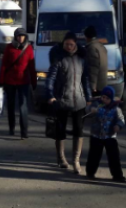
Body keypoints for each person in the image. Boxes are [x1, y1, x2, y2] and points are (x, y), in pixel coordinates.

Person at [46, 32, 92, 174]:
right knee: (60, 130)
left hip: (79, 100)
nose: (69, 47)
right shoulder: (58, 59)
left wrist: (89, 97)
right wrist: (50, 95)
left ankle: (76, 160)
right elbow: (50, 78)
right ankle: (61, 158)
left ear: (76, 45)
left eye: (71, 44)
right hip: (62, 99)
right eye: (66, 44)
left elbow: (86, 80)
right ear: (63, 44)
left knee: (79, 130)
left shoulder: (81, 59)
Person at [0, 28, 36, 139]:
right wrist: (1, 81)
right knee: (10, 106)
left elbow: (31, 67)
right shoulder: (9, 48)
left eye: (22, 36)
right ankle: (11, 128)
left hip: (23, 81)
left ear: (25, 37)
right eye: (19, 36)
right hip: (10, 81)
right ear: (15, 36)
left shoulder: (28, 48)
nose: (20, 38)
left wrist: (34, 82)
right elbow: (4, 65)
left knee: (23, 107)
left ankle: (24, 132)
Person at [85, 86, 126, 182]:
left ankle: (117, 175)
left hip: (110, 136)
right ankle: (90, 172)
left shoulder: (115, 108)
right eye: (103, 97)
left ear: (111, 99)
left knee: (114, 157)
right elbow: (88, 109)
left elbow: (121, 119)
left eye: (107, 98)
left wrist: (118, 126)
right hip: (96, 135)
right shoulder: (97, 104)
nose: (104, 100)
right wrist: (91, 110)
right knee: (94, 156)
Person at [84, 26, 108, 96]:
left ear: (86, 37)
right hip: (103, 82)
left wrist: (92, 85)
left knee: (94, 104)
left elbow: (93, 68)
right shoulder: (101, 46)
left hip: (97, 85)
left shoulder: (91, 48)